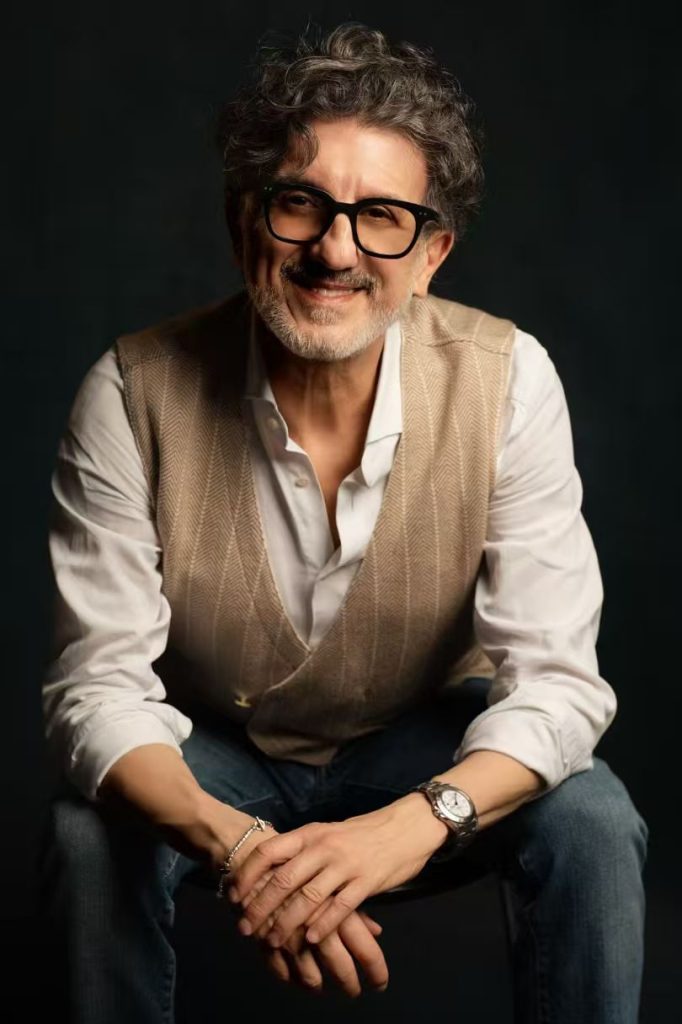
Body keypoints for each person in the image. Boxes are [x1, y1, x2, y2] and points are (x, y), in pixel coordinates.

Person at [39, 21, 648, 1024]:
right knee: (84, 830)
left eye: (382, 219)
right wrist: (245, 850)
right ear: (245, 221)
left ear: (432, 253)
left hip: (421, 747)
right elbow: (95, 691)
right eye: (300, 204)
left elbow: (557, 684)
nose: (335, 249)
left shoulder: (510, 380)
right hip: (217, 752)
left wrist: (413, 823)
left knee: (590, 817)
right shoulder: (131, 390)